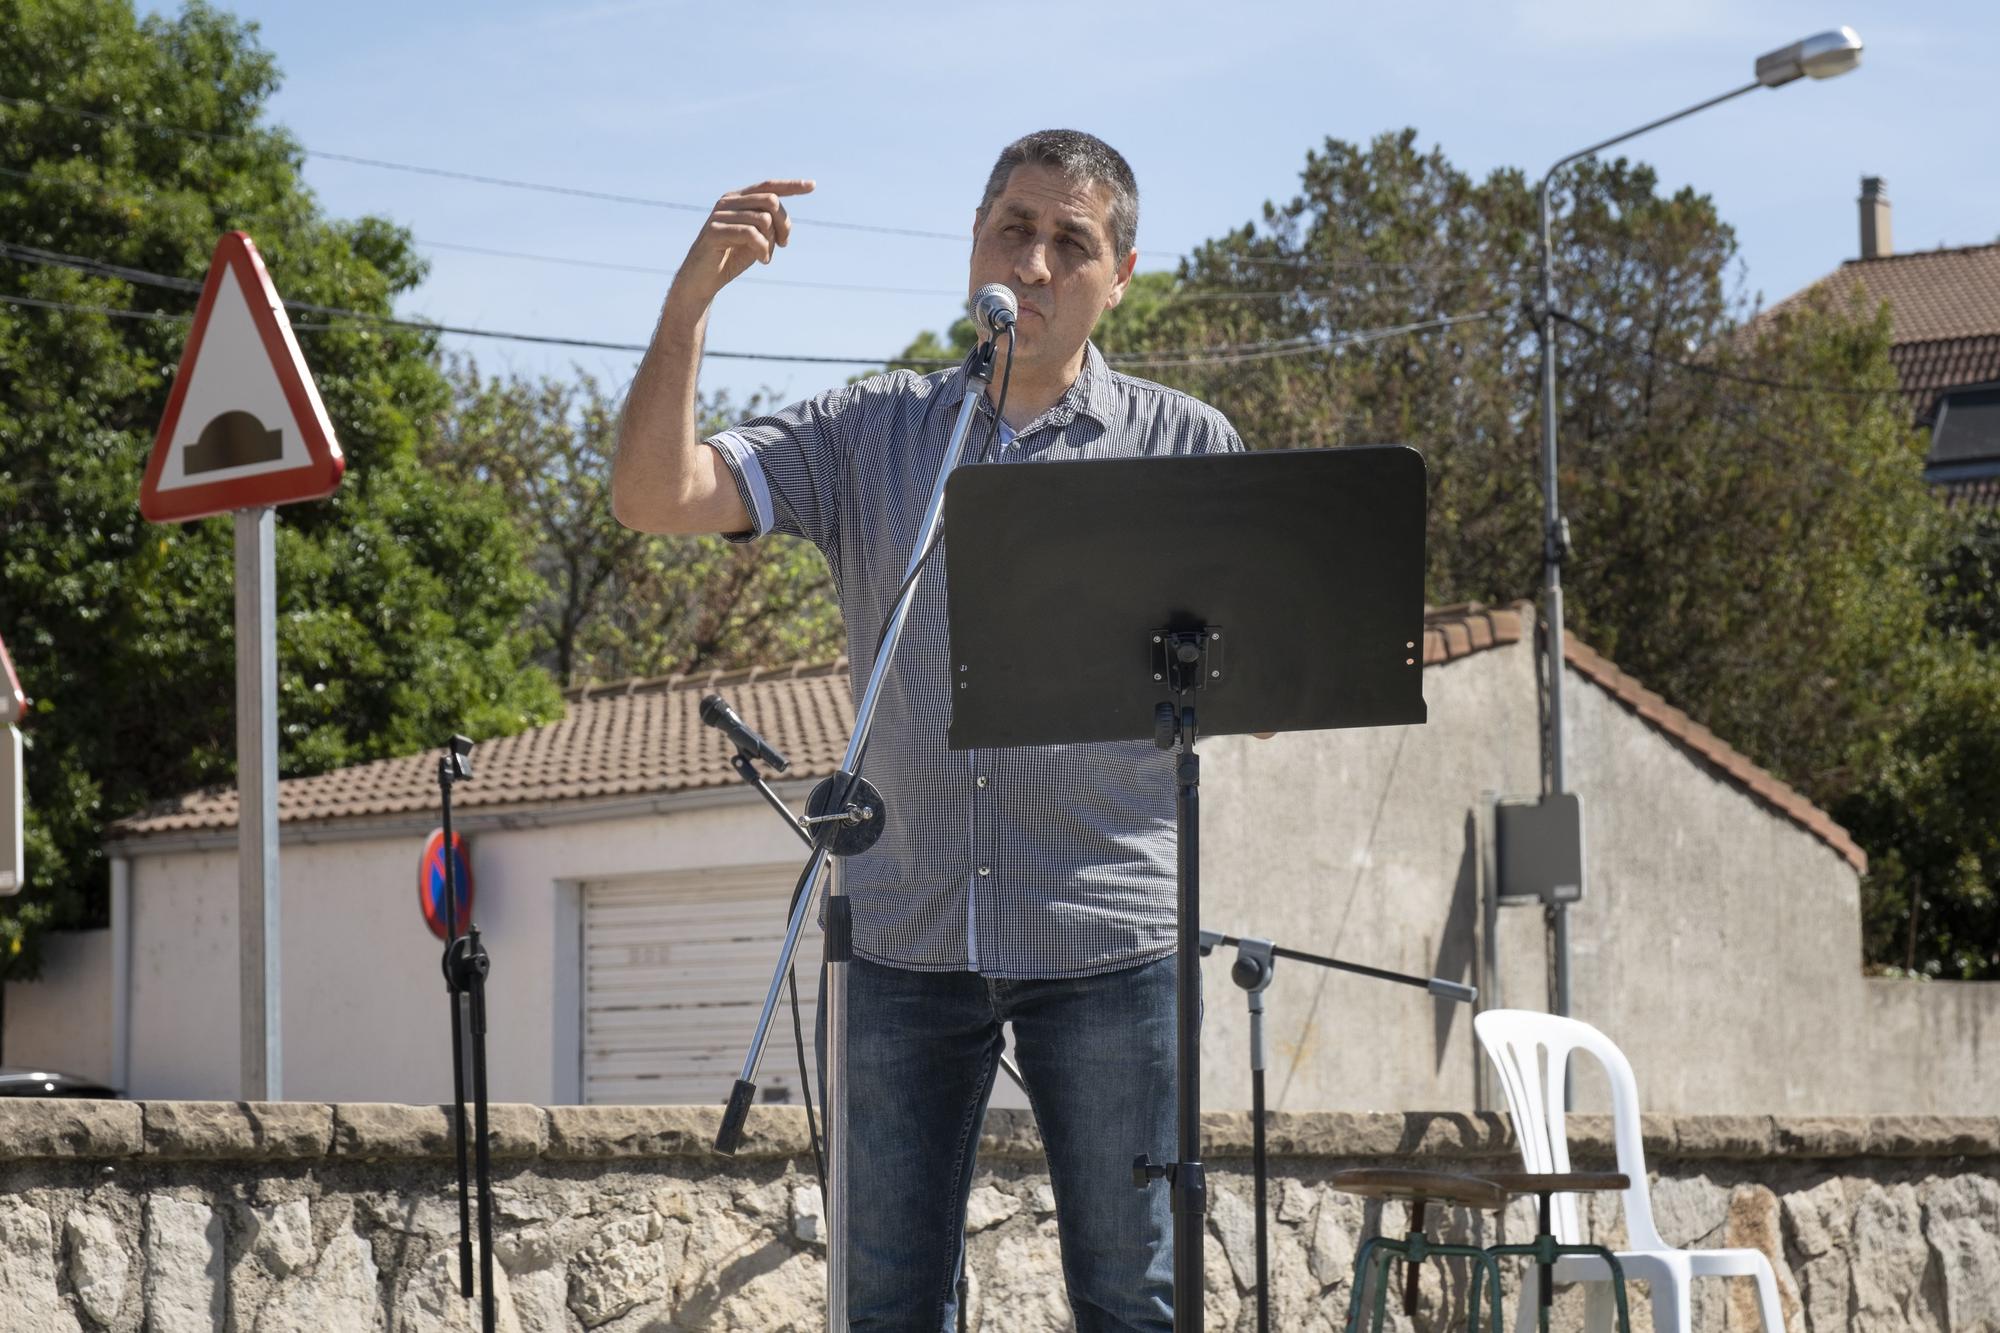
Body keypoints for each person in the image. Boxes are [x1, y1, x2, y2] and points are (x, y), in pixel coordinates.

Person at [612, 129, 1245, 1332]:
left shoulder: (1184, 446)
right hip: (904, 932)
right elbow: (654, 494)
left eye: (1072, 241)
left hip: (1109, 934)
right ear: (973, 245)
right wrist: (691, 301)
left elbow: (1246, 681)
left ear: (1120, 272)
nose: (1037, 259)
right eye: (1013, 227)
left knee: (1134, 1297)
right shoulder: (872, 431)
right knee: (886, 1300)